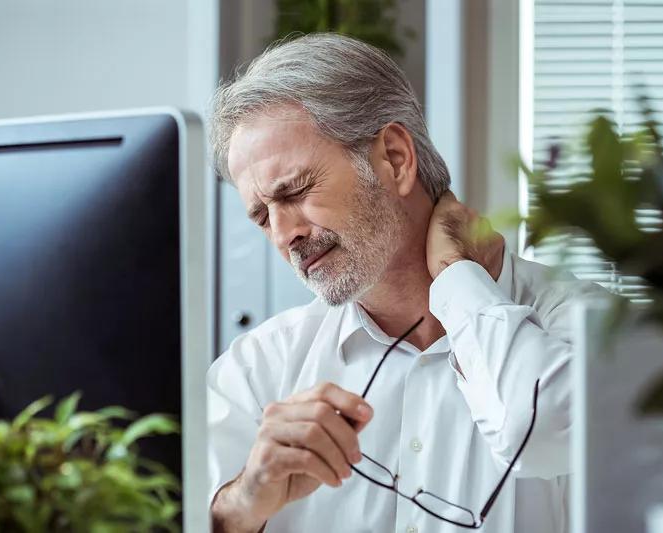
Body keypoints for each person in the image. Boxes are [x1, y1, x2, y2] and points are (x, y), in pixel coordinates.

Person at [207, 33, 601, 533]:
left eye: (297, 191)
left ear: (394, 158)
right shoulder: (256, 369)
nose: (286, 236)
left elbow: (544, 430)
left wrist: (458, 274)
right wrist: (243, 503)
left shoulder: (586, 325)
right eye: (262, 216)